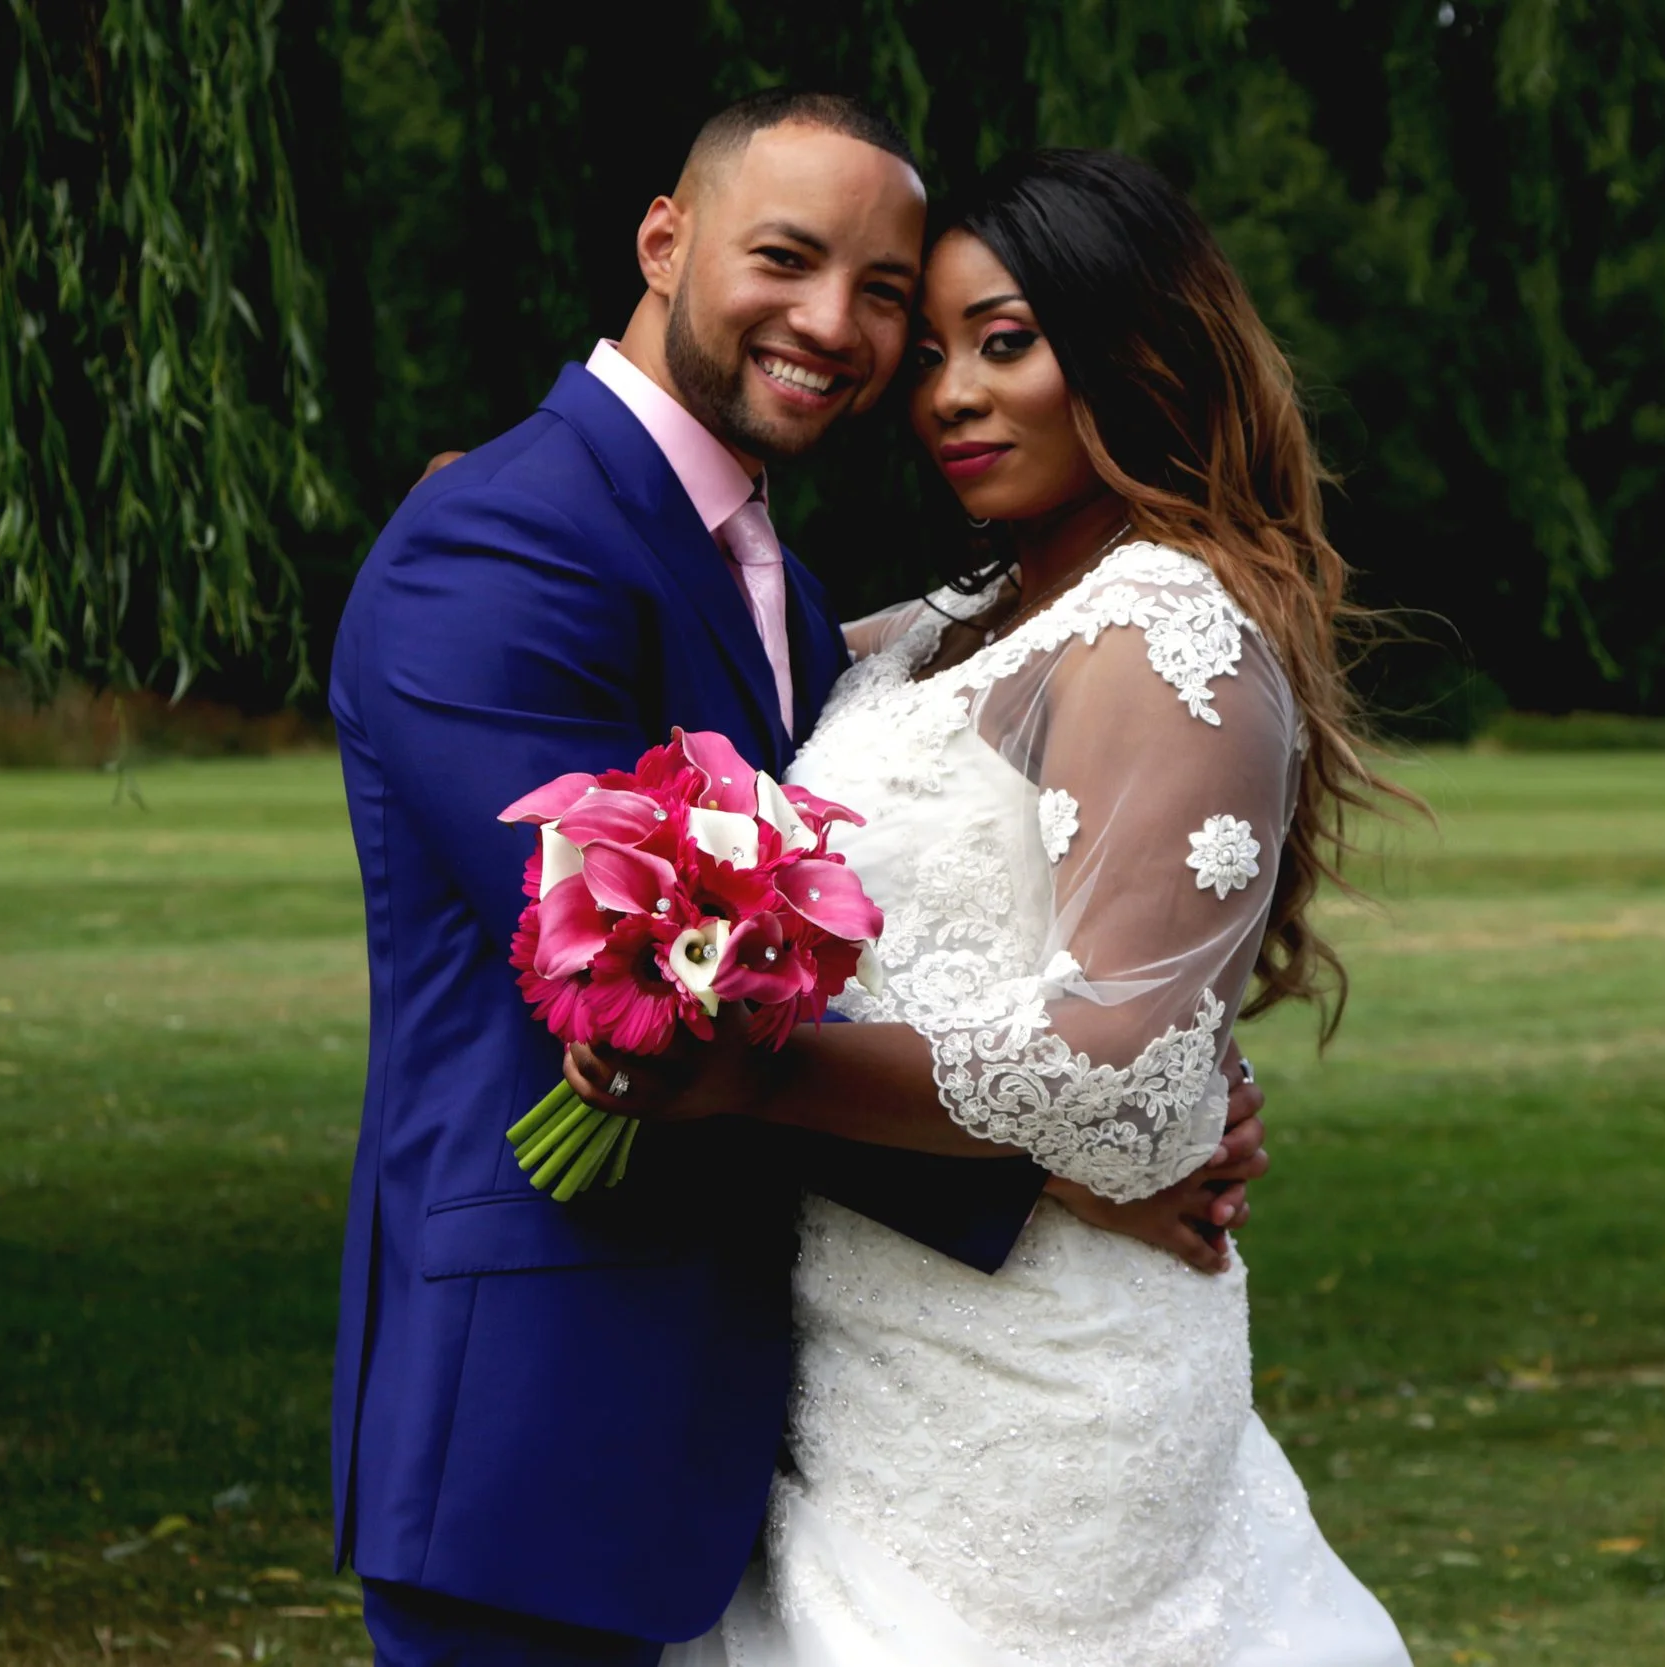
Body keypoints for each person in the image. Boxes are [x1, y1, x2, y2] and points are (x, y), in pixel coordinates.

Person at [329, 96, 1266, 1667]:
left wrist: (1133, 1066)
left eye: (882, 291)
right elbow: (629, 989)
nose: (833, 323)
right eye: (785, 257)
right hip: (539, 1413)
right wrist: (1067, 1152)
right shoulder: (497, 539)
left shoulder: (788, 583)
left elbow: (854, 944)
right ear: (664, 240)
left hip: (782, 1422)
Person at [585, 148, 1414, 1665]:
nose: (951, 395)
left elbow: (1120, 1084)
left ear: (1134, 351)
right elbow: (703, 639)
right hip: (871, 1356)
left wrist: (744, 1071)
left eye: (1006, 342)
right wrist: (526, 493)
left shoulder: (1159, 629)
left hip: (1040, 1392)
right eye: (932, 355)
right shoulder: (956, 625)